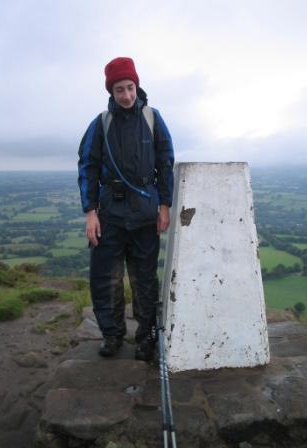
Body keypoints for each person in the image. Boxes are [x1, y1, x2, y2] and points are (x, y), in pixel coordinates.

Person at [78, 57, 174, 361]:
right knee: (106, 278)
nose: (127, 95)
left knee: (145, 278)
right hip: (110, 214)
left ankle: (145, 337)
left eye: (130, 87)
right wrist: (90, 212)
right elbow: (88, 167)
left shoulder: (153, 119)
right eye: (120, 89)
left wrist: (165, 204)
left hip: (146, 212)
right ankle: (112, 335)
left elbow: (165, 163)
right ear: (111, 91)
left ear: (137, 85)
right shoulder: (100, 124)